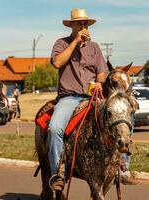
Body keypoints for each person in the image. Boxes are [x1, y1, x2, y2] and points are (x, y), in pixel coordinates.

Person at [47, 8, 108, 191]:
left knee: (119, 117)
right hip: (70, 97)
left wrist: (99, 82)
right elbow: (57, 63)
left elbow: (102, 71)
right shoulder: (61, 43)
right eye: (79, 23)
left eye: (85, 23)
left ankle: (123, 166)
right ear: (71, 25)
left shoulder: (94, 47)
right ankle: (57, 173)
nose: (83, 26)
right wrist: (75, 42)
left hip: (92, 96)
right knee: (54, 128)